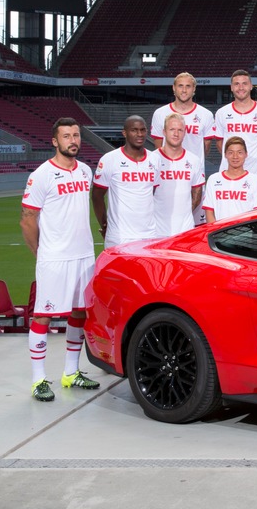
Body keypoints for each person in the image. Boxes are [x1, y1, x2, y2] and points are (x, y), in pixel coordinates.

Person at [19, 118, 100, 402]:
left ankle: (71, 372)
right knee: (43, 315)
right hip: (54, 258)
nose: (72, 140)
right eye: (66, 136)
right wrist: (41, 253)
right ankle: (38, 379)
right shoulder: (41, 175)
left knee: (79, 313)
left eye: (76, 135)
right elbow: (28, 219)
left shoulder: (86, 171)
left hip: (83, 255)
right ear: (55, 141)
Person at [91, 115, 159, 250]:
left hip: (148, 234)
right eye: (134, 130)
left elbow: (152, 191)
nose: (139, 134)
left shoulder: (155, 159)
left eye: (142, 130)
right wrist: (105, 225)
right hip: (119, 236)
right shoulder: (110, 159)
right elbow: (97, 196)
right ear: (124, 133)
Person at [209, 69, 257, 180]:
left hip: (256, 172)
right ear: (231, 87)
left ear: (251, 86)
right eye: (236, 84)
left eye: (244, 84)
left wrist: (255, 160)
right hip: (228, 171)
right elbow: (219, 142)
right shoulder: (222, 113)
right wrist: (234, 158)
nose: (240, 88)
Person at [151, 113, 205, 237]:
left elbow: (197, 196)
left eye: (180, 130)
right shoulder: (152, 159)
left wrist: (184, 213)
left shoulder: (194, 160)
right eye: (172, 129)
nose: (176, 134)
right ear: (164, 132)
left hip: (185, 230)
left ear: (185, 132)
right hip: (156, 231)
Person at [150, 72, 214, 165]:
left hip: (194, 171)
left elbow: (206, 147)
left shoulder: (206, 114)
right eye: (180, 86)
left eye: (188, 86)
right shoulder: (160, 113)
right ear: (174, 88)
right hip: (167, 170)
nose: (184, 90)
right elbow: (158, 145)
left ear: (194, 89)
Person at [202, 137, 257, 222]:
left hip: (246, 233)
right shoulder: (213, 179)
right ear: (225, 155)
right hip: (218, 233)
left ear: (246, 154)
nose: (235, 157)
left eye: (240, 152)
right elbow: (209, 211)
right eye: (231, 153)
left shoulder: (256, 181)